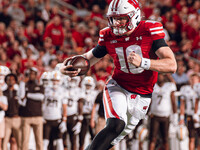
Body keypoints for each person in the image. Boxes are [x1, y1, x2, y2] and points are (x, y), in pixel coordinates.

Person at [60, 0, 177, 149]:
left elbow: (172, 65)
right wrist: (62, 67)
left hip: (143, 95)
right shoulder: (108, 35)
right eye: (114, 18)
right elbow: (87, 59)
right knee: (116, 125)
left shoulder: (149, 30)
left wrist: (144, 62)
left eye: (121, 18)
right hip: (118, 86)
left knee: (113, 138)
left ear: (134, 16)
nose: (117, 23)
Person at [148, 73, 177, 150]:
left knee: (165, 139)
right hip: (154, 116)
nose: (159, 77)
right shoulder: (153, 86)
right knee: (152, 138)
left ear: (164, 76)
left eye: (161, 75)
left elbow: (173, 102)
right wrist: (147, 114)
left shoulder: (169, 86)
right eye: (158, 75)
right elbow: (149, 101)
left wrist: (175, 116)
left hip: (165, 116)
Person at [19, 67, 44, 150]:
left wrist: (28, 95)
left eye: (33, 74)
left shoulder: (40, 85)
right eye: (30, 74)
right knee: (24, 141)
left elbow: (41, 97)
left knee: (39, 141)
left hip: (37, 116)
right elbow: (21, 97)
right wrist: (22, 83)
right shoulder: (24, 84)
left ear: (36, 75)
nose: (31, 75)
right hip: (26, 116)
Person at [43, 71, 67, 150]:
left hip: (57, 119)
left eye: (57, 80)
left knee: (59, 142)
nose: (55, 82)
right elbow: (42, 103)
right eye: (53, 80)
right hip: (46, 119)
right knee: (45, 143)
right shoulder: (46, 89)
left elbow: (64, 107)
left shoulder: (62, 91)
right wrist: (42, 115)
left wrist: (64, 120)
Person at [179, 73, 200, 150]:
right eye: (192, 79)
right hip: (190, 115)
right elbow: (182, 104)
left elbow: (197, 101)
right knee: (191, 137)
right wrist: (181, 117)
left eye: (195, 79)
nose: (193, 81)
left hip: (199, 116)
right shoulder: (185, 89)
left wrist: (196, 114)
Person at [2, 73, 22, 150]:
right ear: (6, 81)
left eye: (12, 79)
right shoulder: (3, 92)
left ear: (15, 81)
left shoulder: (18, 92)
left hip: (17, 118)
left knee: (17, 141)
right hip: (7, 119)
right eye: (8, 80)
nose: (10, 81)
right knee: (5, 140)